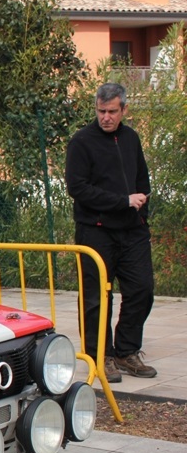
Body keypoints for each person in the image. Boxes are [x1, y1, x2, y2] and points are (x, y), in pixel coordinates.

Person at [65, 82, 156, 383]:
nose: (106, 117)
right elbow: (77, 188)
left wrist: (140, 211)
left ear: (124, 110)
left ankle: (127, 351)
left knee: (142, 289)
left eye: (112, 111)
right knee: (95, 298)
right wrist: (121, 202)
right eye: (101, 111)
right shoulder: (81, 142)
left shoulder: (131, 138)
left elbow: (142, 179)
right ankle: (100, 356)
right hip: (96, 232)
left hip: (132, 231)